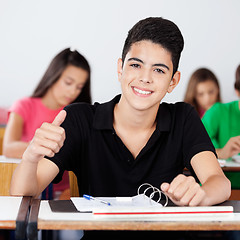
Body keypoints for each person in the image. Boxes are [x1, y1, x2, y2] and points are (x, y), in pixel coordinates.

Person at [10, 17, 230, 239]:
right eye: (135, 65)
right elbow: (23, 192)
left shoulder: (183, 118)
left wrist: (200, 193)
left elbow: (220, 183)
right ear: (120, 68)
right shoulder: (79, 119)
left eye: (159, 71)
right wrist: (30, 157)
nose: (145, 78)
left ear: (173, 81)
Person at [3, 47, 91, 199]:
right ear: (53, 76)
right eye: (68, 83)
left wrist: (70, 194)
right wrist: (45, 146)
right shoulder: (24, 106)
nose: (73, 92)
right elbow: (8, 148)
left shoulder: (77, 116)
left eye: (79, 87)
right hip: (26, 190)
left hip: (67, 194)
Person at [202, 64, 240, 189]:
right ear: (237, 91)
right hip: (222, 191)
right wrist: (223, 152)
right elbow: (188, 149)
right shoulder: (218, 112)